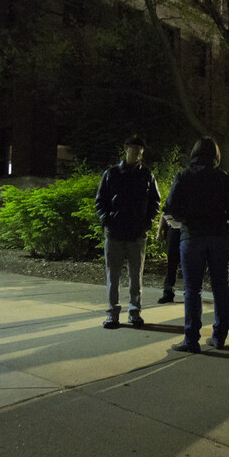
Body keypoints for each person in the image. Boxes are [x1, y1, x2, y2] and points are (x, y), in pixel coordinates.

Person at [162, 137, 229, 353]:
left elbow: (170, 207)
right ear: (216, 155)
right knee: (220, 286)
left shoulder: (184, 175)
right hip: (218, 236)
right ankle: (219, 336)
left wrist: (185, 218)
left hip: (192, 236)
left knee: (192, 290)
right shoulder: (224, 178)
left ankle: (191, 339)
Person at [94, 135, 161, 329]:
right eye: (134, 149)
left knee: (135, 276)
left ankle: (134, 312)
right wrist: (107, 220)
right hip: (115, 232)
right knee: (113, 276)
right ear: (126, 149)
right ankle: (113, 314)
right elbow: (100, 200)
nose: (138, 153)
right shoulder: (111, 173)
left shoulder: (147, 175)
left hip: (136, 233)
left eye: (140, 151)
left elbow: (155, 202)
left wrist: (146, 223)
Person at [155, 212, 182, 304]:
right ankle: (168, 293)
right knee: (171, 263)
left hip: (188, 231)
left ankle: (190, 294)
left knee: (188, 264)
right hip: (173, 231)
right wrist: (159, 232)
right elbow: (164, 214)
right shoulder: (171, 199)